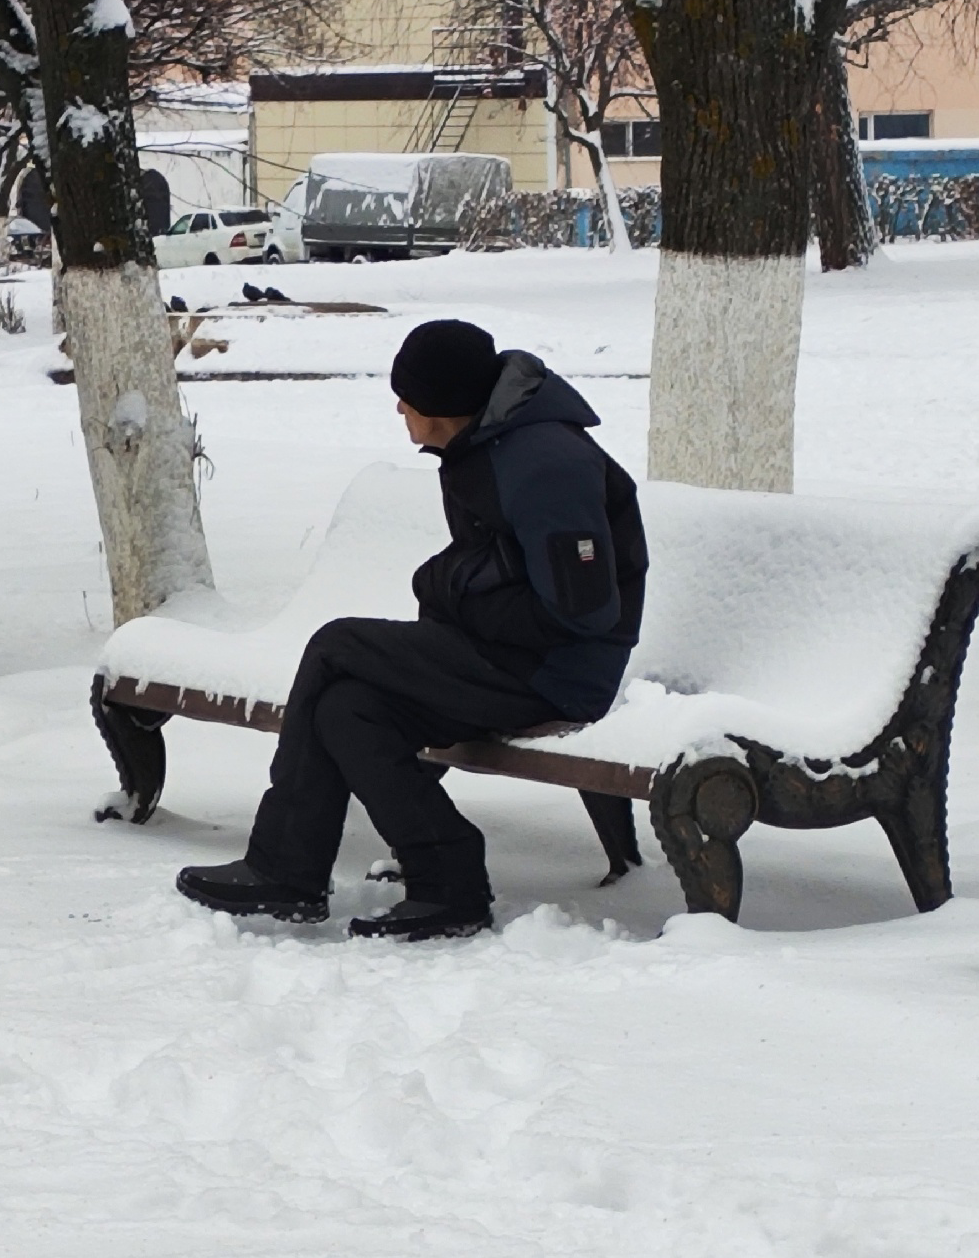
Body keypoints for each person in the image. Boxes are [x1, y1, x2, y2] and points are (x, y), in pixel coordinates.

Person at [176, 320, 647, 941]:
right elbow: (504, 565)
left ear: (444, 405)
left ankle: (286, 868)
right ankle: (447, 882)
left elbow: (583, 611)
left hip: (557, 672)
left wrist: (458, 590)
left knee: (335, 644)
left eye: (409, 397)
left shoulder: (544, 464)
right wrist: (463, 582)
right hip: (509, 656)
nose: (399, 407)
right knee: (348, 708)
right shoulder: (489, 441)